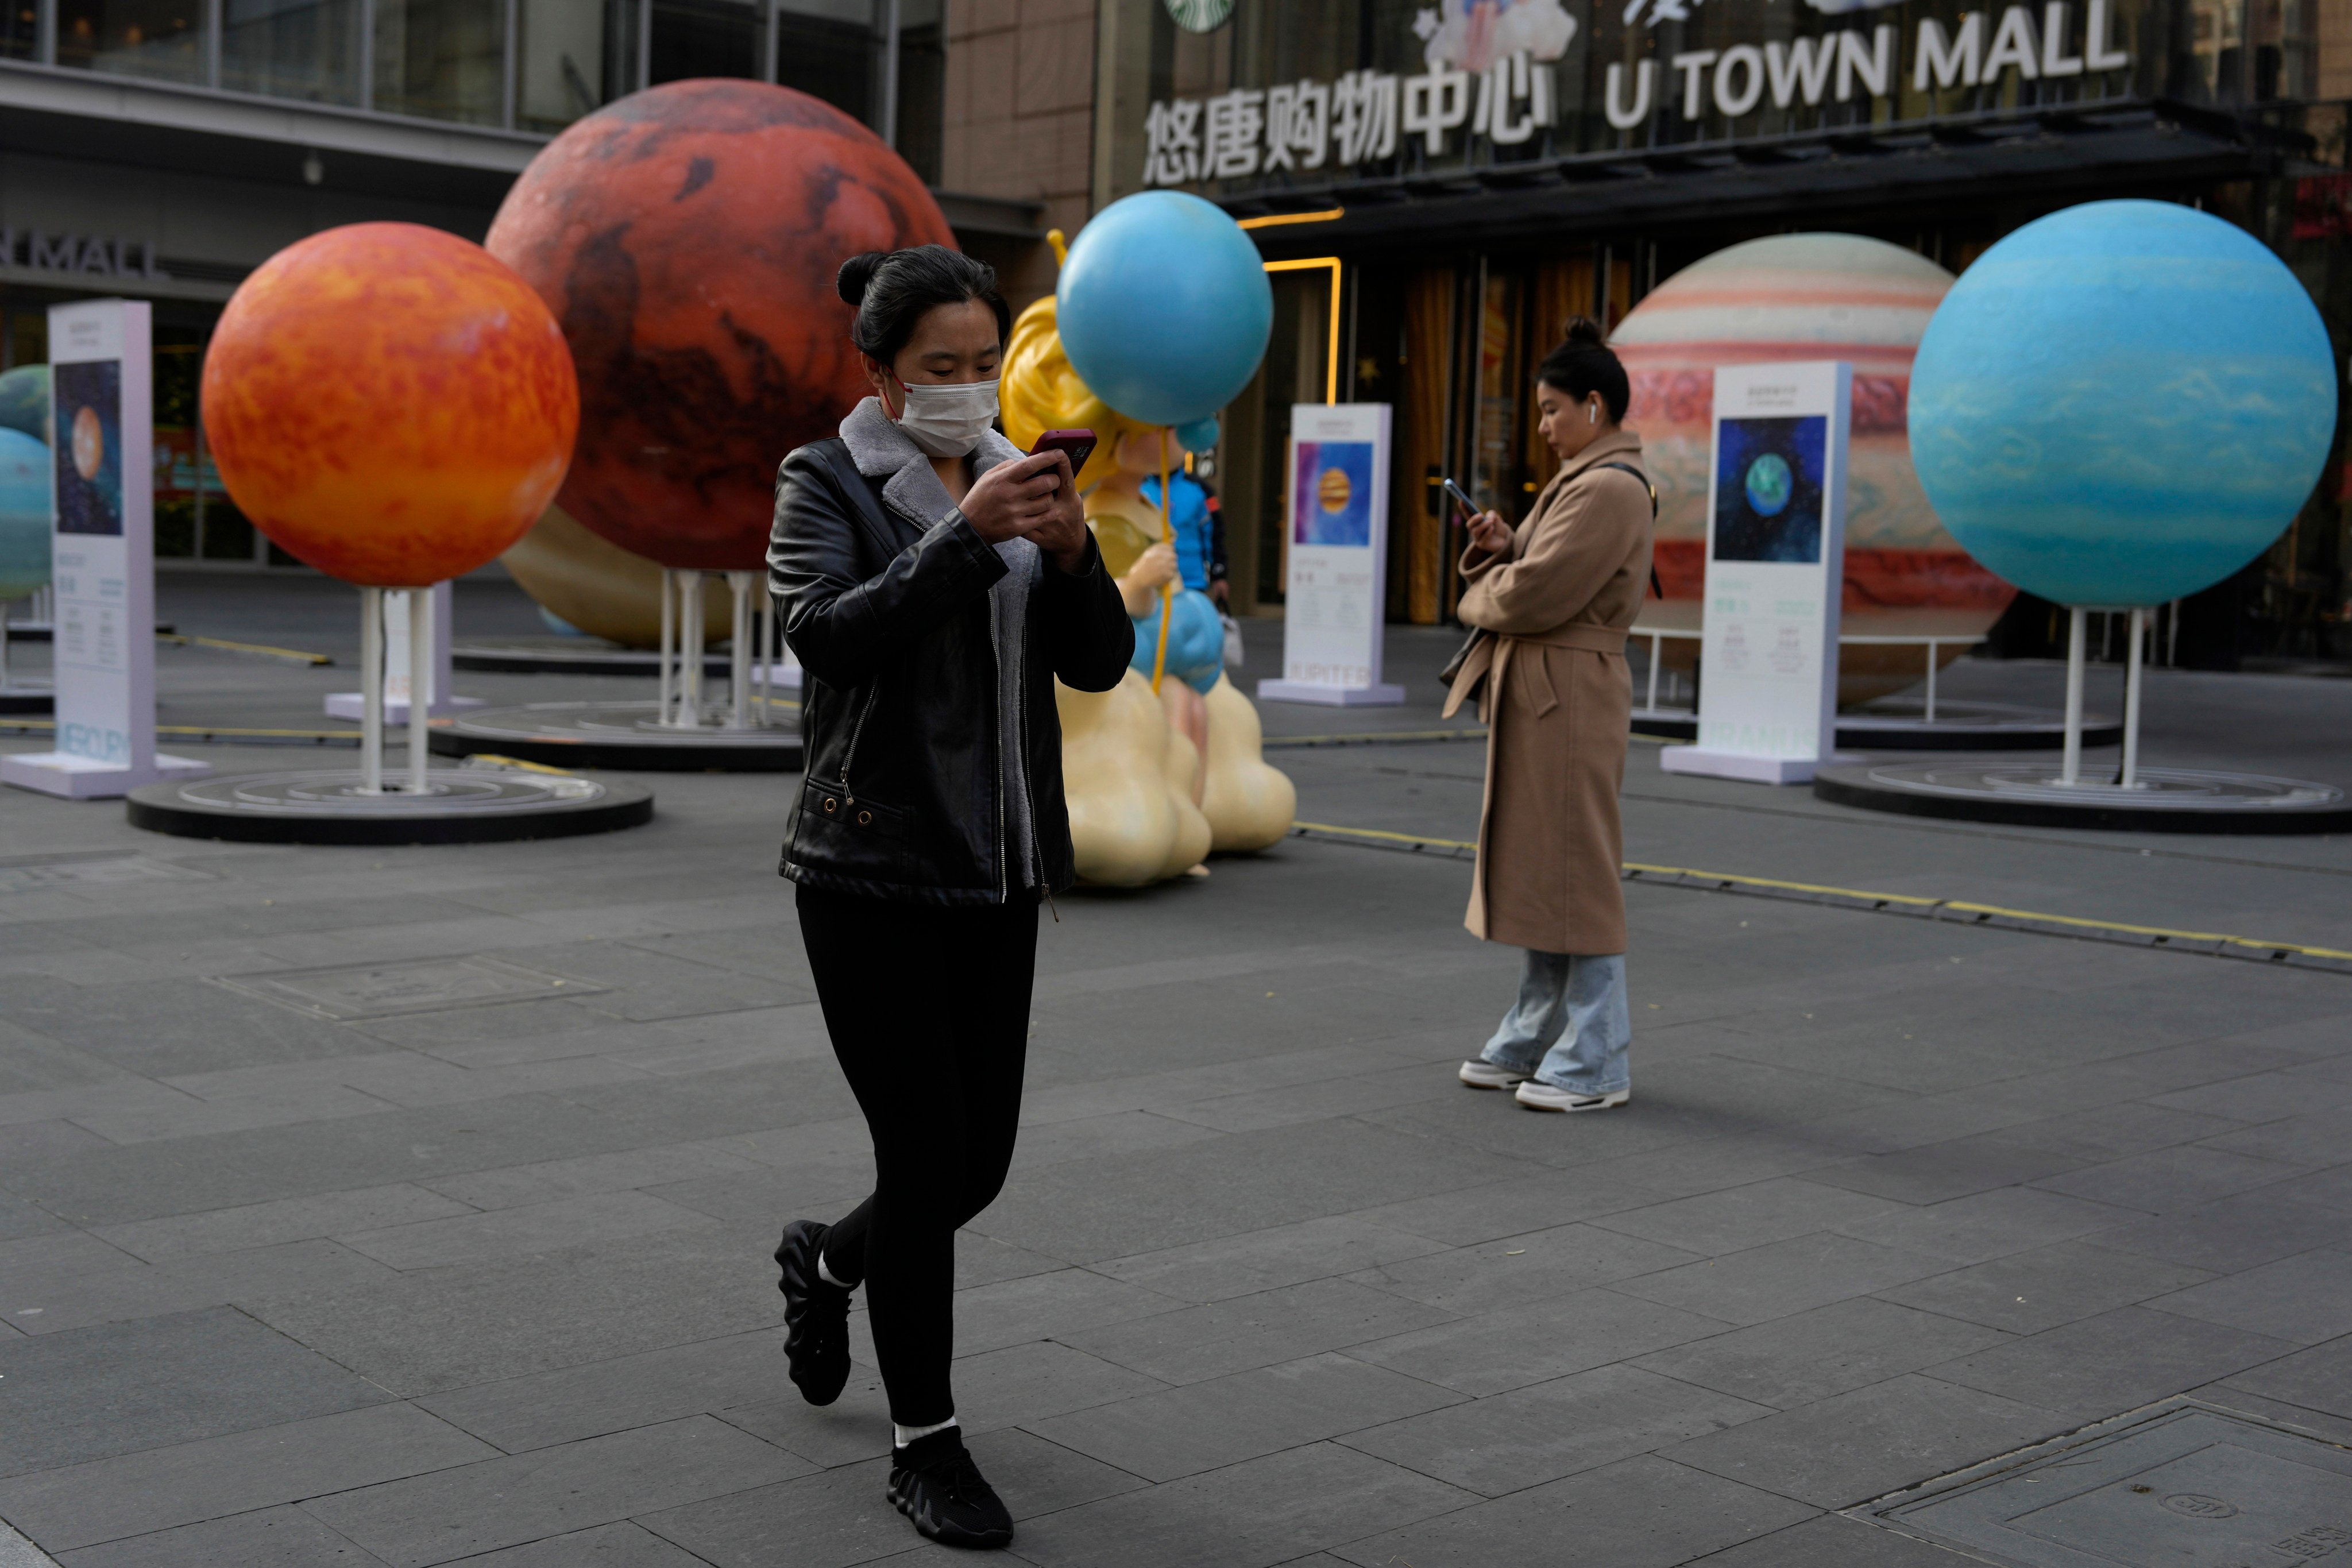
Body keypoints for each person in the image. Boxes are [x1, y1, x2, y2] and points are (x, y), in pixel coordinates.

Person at [766, 244, 1132, 1550]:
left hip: (998, 868)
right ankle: (926, 1443)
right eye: (941, 369)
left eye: (984, 365)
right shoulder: (826, 480)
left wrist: (1073, 551)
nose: (969, 390)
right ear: (878, 371)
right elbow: (822, 636)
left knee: (975, 1166)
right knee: (925, 1156)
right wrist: (960, 541)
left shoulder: (1010, 478)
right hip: (866, 870)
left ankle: (832, 1258)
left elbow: (1094, 670)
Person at [1443, 316, 1654, 1113]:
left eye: (1552, 409)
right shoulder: (1588, 481)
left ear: (1594, 406)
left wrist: (1483, 591)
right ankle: (1540, 1034)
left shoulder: (1605, 486)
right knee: (1547, 865)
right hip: (1555, 684)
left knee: (1576, 868)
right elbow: (1537, 574)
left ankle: (1596, 1052)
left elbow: (1538, 593)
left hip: (1569, 685)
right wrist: (1505, 546)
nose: (1542, 426)